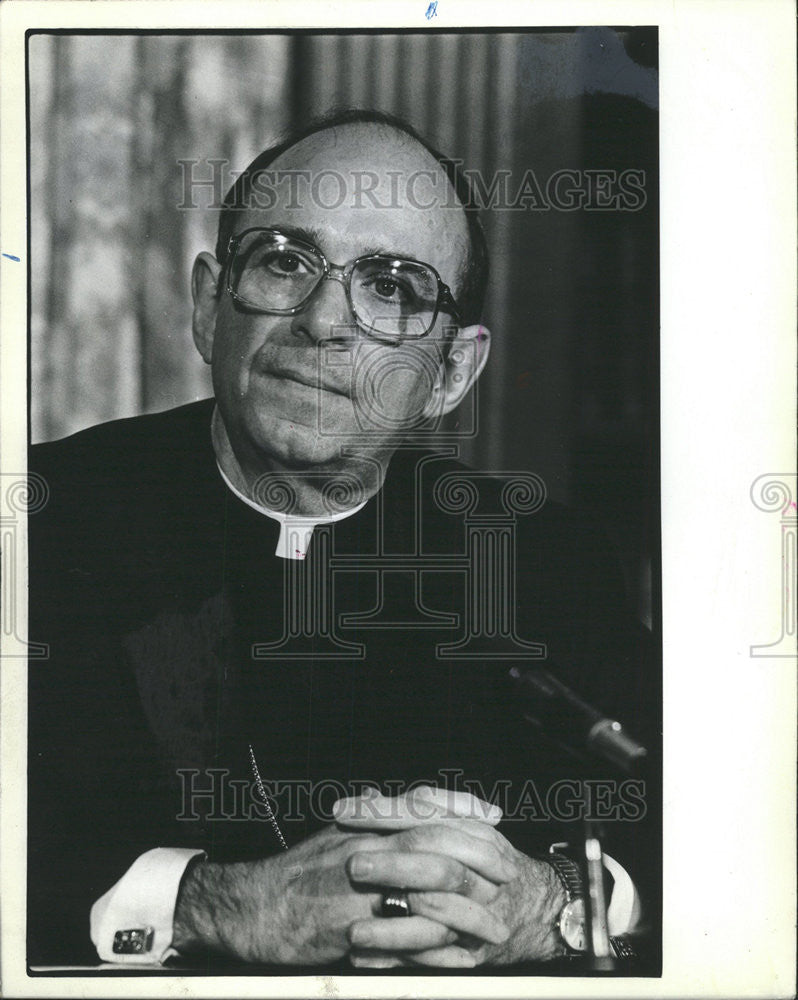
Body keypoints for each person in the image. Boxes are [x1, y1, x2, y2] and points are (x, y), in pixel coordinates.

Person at [28, 110, 658, 972]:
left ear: (451, 372)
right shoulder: (38, 525)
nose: (327, 322)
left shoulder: (548, 559)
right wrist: (211, 903)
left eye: (393, 287)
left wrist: (551, 903)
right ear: (212, 305)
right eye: (285, 262)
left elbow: (704, 835)